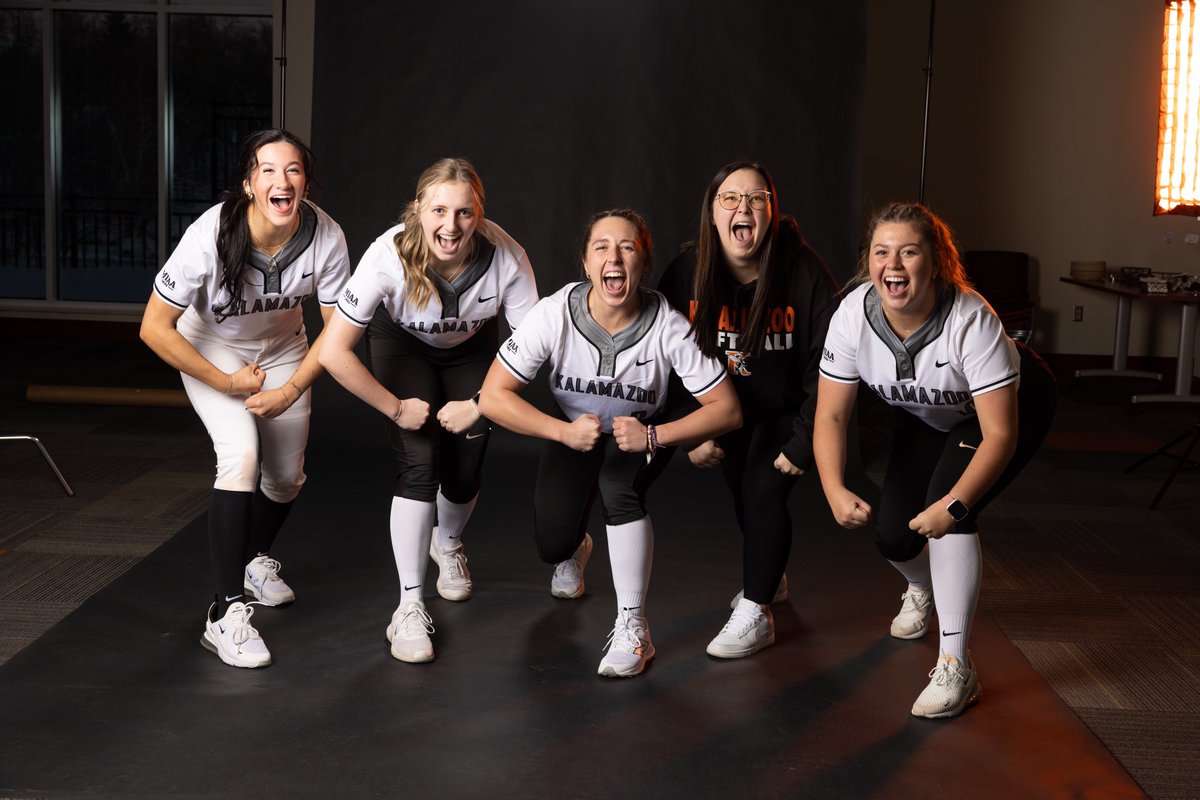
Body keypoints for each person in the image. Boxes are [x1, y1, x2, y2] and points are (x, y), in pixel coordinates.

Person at [813, 201, 1056, 718]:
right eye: (882, 252)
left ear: (937, 261)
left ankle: (955, 665)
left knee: (950, 514)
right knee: (894, 537)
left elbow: (999, 434)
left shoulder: (971, 319)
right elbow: (831, 415)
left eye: (909, 252)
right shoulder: (852, 314)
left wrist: (955, 504)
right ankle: (922, 587)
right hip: (924, 415)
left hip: (1000, 415)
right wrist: (833, 487)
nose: (893, 265)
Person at [478, 209, 742, 678]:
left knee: (619, 489)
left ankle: (633, 627)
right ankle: (576, 546)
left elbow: (728, 409)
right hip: (575, 429)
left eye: (627, 248)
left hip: (640, 431)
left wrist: (655, 436)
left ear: (643, 263)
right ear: (585, 262)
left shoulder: (668, 324)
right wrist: (563, 432)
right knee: (551, 545)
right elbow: (494, 397)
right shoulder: (555, 312)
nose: (614, 258)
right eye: (601, 247)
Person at [140, 128, 351, 668]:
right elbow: (154, 328)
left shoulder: (326, 235)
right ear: (249, 184)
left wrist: (290, 388)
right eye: (268, 170)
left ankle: (254, 562)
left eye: (294, 169)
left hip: (284, 347)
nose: (283, 180)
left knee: (286, 478)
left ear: (306, 182)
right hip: (211, 346)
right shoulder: (211, 233)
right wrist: (225, 382)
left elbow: (337, 331)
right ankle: (226, 610)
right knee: (241, 456)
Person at [318, 158, 537, 664]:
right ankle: (409, 605)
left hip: (472, 349)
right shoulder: (386, 256)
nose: (451, 225)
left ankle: (449, 542)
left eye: (464, 213)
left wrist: (481, 404)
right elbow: (332, 352)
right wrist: (395, 409)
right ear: (418, 209)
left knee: (465, 464)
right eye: (439, 210)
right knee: (420, 464)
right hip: (403, 346)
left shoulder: (507, 257)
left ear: (480, 214)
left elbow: (532, 349)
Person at [654, 161, 836, 659]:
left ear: (772, 212)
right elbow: (664, 357)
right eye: (731, 198)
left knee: (761, 492)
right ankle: (770, 576)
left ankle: (757, 610)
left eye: (757, 198)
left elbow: (831, 366)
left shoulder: (803, 271)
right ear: (713, 212)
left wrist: (805, 442)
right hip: (724, 411)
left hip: (787, 411)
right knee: (744, 498)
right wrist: (690, 432)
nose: (744, 207)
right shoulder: (687, 271)